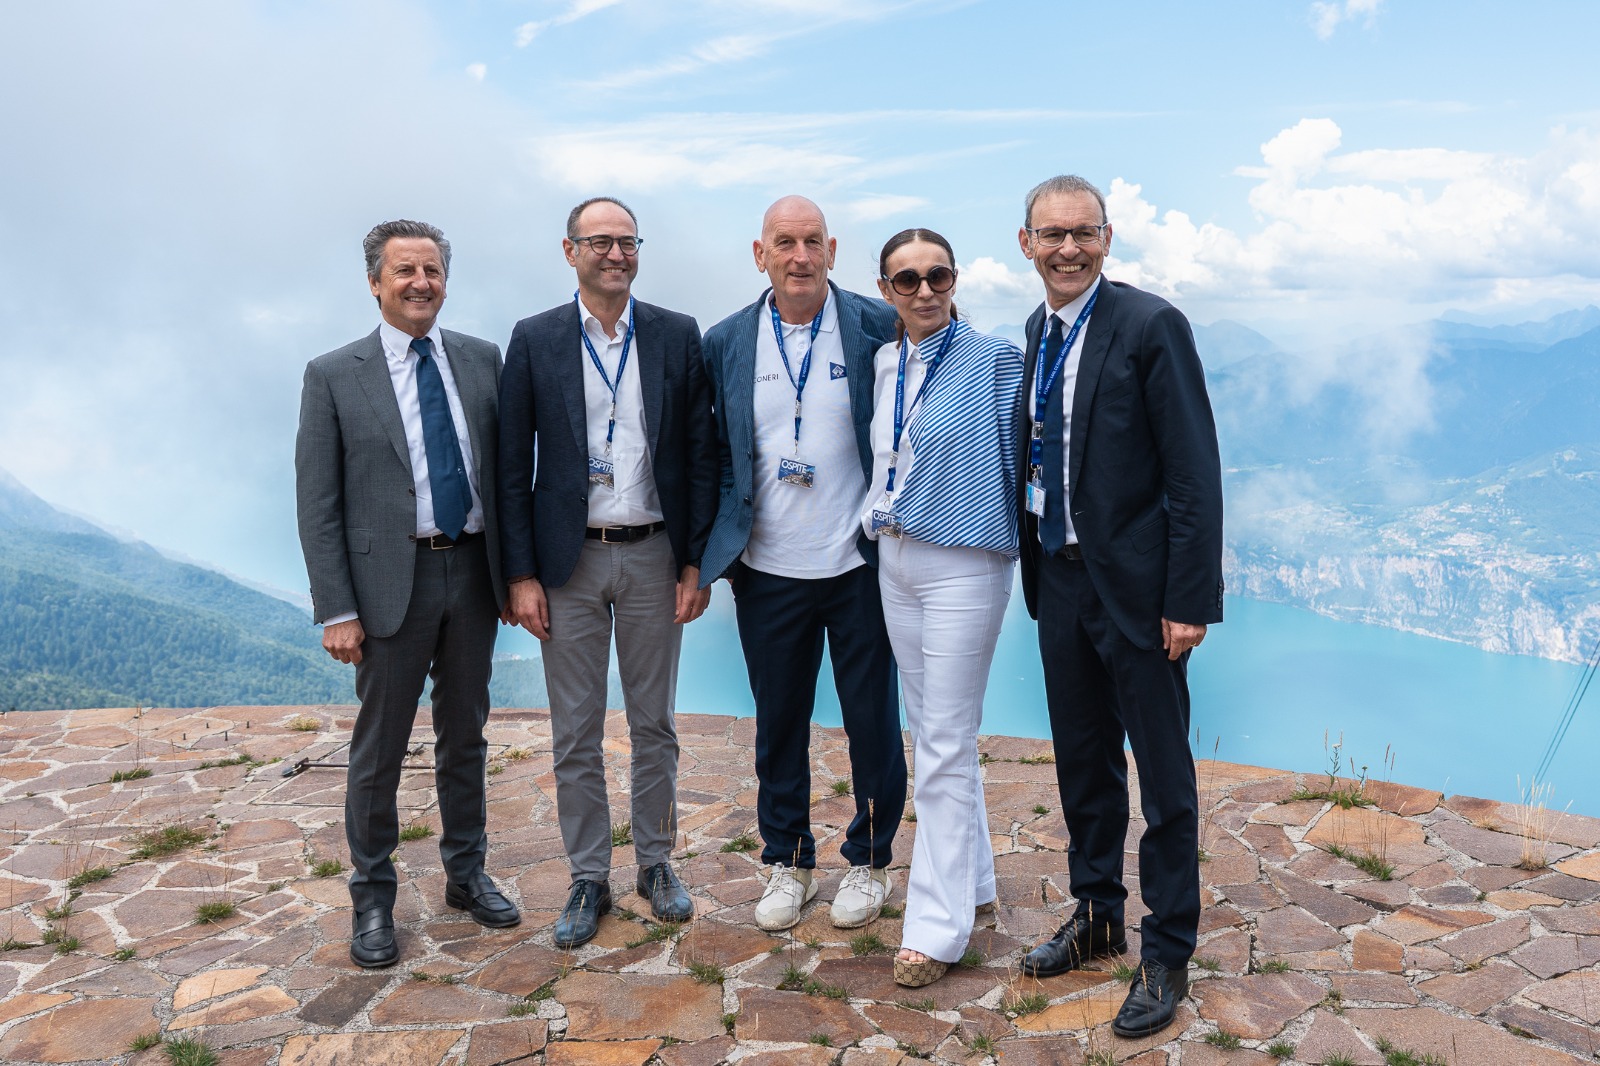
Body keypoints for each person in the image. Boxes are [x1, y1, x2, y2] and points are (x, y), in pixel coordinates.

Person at [1012, 175, 1224, 1037]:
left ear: (1108, 237)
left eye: (1083, 233)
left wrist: (1188, 599)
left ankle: (1167, 948)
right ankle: (1097, 912)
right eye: (1051, 234)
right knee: (1083, 762)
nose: (1067, 248)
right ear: (1026, 243)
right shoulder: (1039, 330)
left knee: (1164, 779)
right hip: (1060, 580)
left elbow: (1192, 469)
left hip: (1139, 596)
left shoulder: (1150, 324)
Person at [295, 219, 519, 969]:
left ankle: (467, 874)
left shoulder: (481, 360)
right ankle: (372, 899)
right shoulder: (334, 374)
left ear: (445, 281)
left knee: (466, 734)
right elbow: (318, 502)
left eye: (432, 270)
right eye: (404, 271)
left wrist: (516, 573)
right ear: (375, 283)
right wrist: (337, 608)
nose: (420, 283)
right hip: (389, 585)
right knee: (380, 747)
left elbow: (505, 476)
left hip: (474, 572)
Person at [498, 196, 717, 949]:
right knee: (575, 731)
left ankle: (656, 863)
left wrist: (696, 561)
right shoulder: (535, 339)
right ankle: (588, 876)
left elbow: (701, 453)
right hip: (569, 560)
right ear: (570, 251)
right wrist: (520, 575)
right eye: (600, 242)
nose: (617, 254)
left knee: (655, 723)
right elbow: (510, 466)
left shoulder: (675, 334)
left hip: (656, 552)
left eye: (627, 242)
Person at [700, 196, 908, 932]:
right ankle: (788, 860)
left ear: (832, 250)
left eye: (812, 241)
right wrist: (709, 557)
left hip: (858, 565)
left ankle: (870, 860)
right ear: (760, 254)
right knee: (779, 725)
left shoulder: (877, 325)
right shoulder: (726, 342)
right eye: (784, 243)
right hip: (766, 569)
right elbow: (711, 454)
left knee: (872, 723)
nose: (799, 257)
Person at [859, 229, 1023, 987]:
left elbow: (1024, 460)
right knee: (931, 731)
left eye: (938, 275)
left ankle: (935, 927)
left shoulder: (994, 359)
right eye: (907, 279)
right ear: (886, 289)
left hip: (965, 563)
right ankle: (975, 885)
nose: (924, 290)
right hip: (896, 559)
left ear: (955, 280)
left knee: (945, 743)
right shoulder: (885, 363)